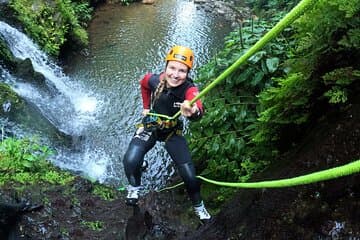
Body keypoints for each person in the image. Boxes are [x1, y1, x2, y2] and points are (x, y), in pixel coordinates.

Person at [122, 45, 211, 222]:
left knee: (190, 176)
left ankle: (199, 206)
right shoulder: (156, 80)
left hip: (172, 132)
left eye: (182, 71)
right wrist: (146, 108)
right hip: (151, 126)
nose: (176, 75)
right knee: (131, 160)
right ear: (166, 67)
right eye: (172, 68)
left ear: (187, 73)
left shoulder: (189, 90)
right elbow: (144, 83)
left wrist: (192, 110)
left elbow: (198, 108)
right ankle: (134, 187)